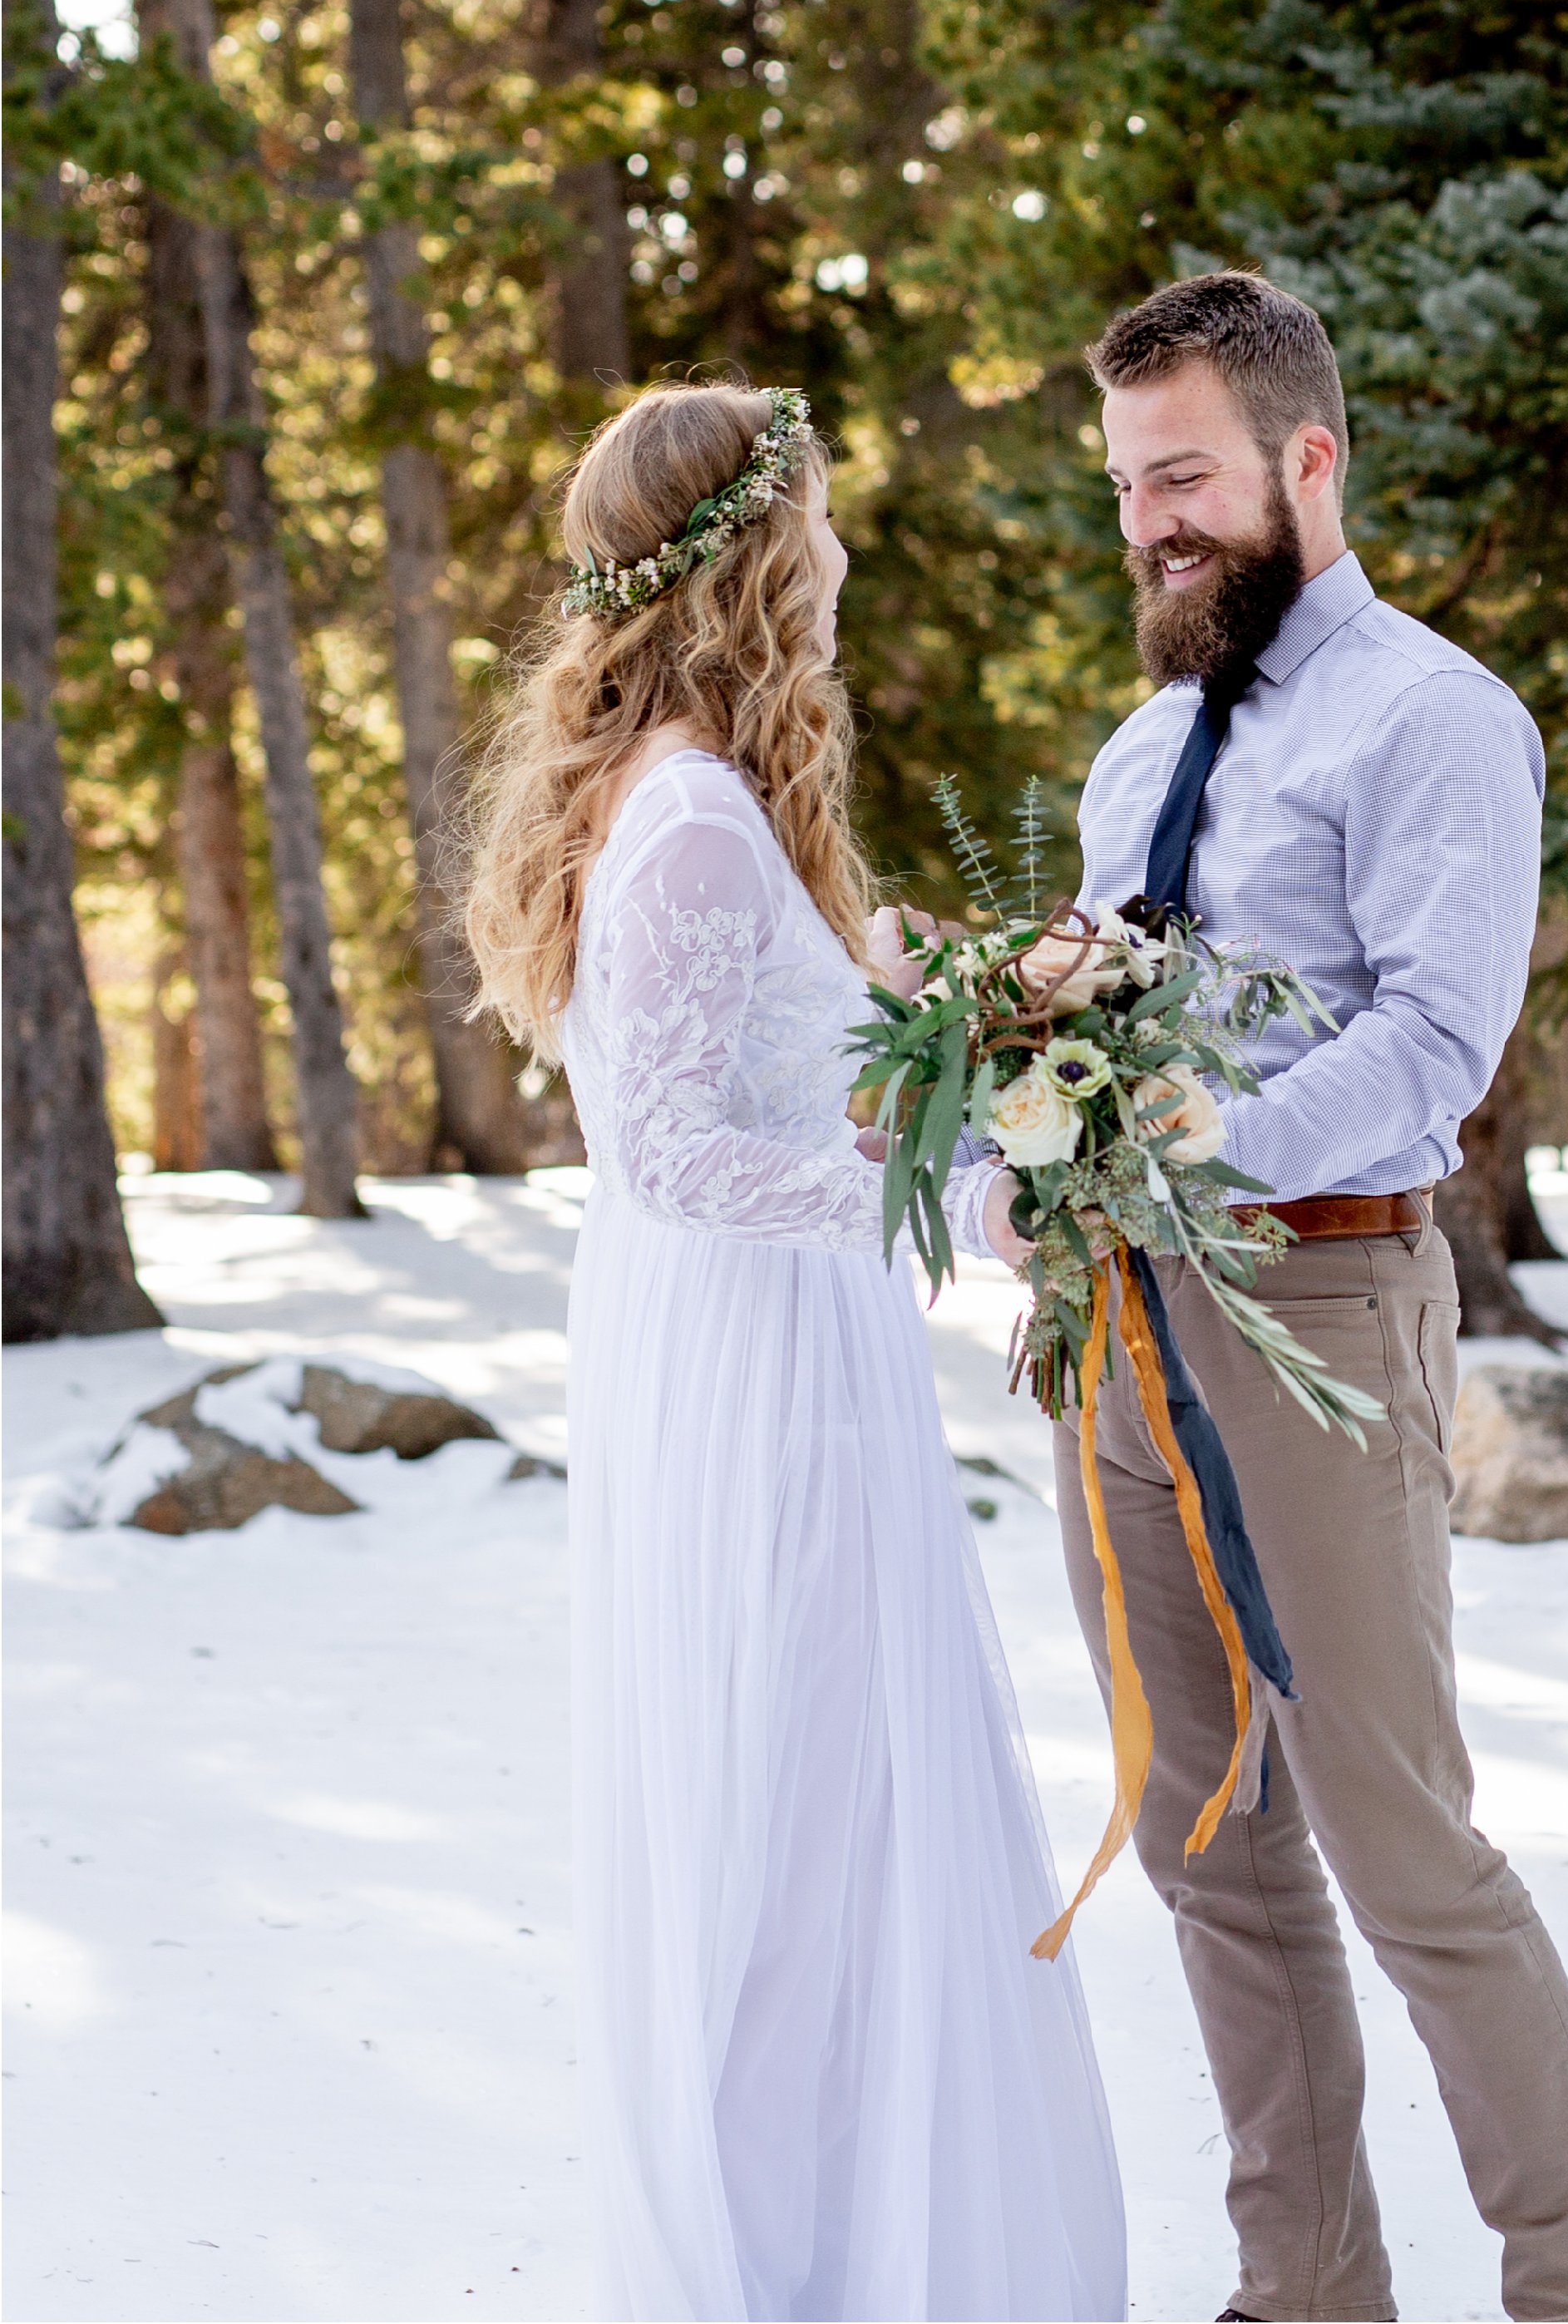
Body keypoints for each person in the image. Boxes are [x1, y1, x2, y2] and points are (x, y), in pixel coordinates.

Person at [1022, 273, 1568, 2324]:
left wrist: (1196, 1145)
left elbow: (1434, 1049)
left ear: (1311, 459)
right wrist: (1006, 1102)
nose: (1151, 524)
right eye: (1128, 485)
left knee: (1402, 1844)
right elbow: (1111, 1022)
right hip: (1122, 1333)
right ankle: (1305, 2289)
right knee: (1206, 1840)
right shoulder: (1139, 753)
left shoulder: (1437, 718)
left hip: (1321, 1306)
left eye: (1185, 475)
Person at [463, 381, 1126, 2324]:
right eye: (816, 525)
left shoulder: (696, 796)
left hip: (771, 1346)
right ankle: (782, 2275)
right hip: (751, 1368)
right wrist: (965, 1201)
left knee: (825, 1812)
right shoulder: (679, 811)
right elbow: (670, 1152)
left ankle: (836, 2246)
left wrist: (983, 993)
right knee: (791, 1824)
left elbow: (779, 1027)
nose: (836, 558)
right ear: (751, 555)